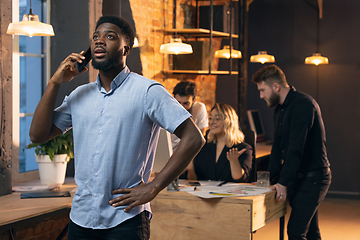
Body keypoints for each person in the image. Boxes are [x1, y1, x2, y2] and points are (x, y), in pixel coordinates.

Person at [29, 15, 205, 240]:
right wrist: (54, 83)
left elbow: (194, 138)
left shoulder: (148, 91)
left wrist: (154, 187)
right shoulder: (78, 96)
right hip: (81, 219)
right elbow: (37, 134)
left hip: (125, 220)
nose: (100, 41)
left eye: (110, 37)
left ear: (126, 48)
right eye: (95, 37)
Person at [251, 64, 331, 240]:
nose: (261, 95)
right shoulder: (280, 109)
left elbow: (296, 149)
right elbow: (278, 148)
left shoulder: (303, 104)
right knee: (310, 232)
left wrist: (283, 183)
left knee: (295, 231)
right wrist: (269, 180)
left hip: (314, 179)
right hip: (299, 177)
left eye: (262, 90)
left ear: (276, 87)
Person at [187, 103, 253, 183]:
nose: (211, 122)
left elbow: (241, 180)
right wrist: (190, 168)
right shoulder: (203, 146)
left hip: (231, 194)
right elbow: (194, 180)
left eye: (217, 119)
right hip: (204, 194)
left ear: (229, 122)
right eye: (210, 118)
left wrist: (234, 161)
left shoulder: (243, 148)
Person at [171, 81, 208, 151]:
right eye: (178, 102)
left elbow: (201, 137)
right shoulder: (167, 110)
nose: (181, 107)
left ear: (194, 101)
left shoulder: (199, 108)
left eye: (186, 103)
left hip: (189, 153)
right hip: (168, 153)